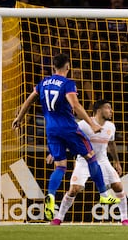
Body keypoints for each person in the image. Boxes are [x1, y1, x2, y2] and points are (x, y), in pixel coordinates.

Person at [11, 53, 120, 221]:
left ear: (53, 66)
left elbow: (29, 100)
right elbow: (75, 105)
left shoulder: (43, 83)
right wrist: (92, 125)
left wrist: (19, 118)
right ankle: (104, 194)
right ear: (68, 67)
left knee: (60, 166)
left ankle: (51, 195)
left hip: (51, 130)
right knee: (91, 157)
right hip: (68, 127)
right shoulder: (68, 83)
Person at [51, 99, 128, 225]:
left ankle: (125, 219)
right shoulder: (83, 124)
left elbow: (111, 144)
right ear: (99, 110)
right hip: (84, 161)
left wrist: (116, 162)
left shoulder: (111, 126)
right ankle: (58, 218)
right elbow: (68, 137)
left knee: (118, 186)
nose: (111, 111)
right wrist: (54, 152)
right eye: (108, 108)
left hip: (103, 161)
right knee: (74, 190)